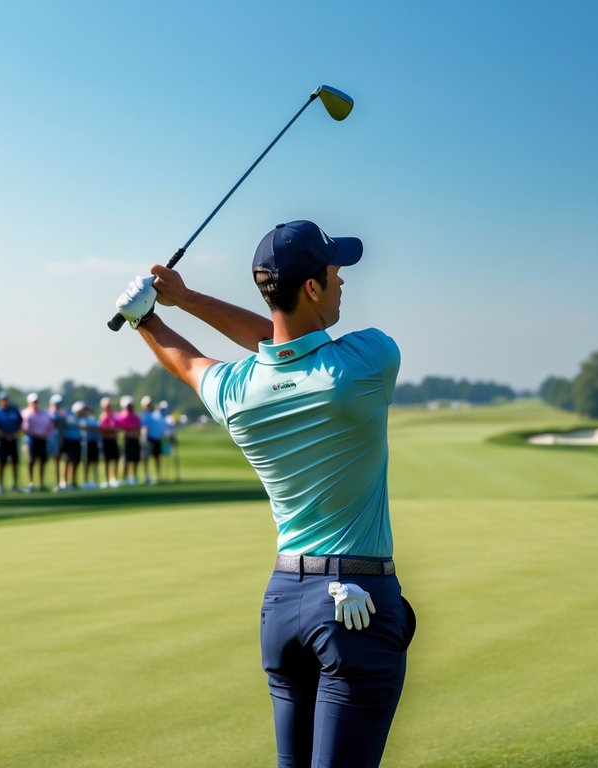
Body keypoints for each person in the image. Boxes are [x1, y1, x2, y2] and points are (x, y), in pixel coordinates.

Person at [114, 219, 416, 766]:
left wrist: (148, 318)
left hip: (283, 607)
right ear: (312, 288)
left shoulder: (236, 392)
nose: (343, 280)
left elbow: (194, 359)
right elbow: (279, 341)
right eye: (335, 271)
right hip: (355, 608)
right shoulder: (369, 358)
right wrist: (188, 300)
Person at [21, 392, 54, 492]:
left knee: (42, 461)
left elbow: (50, 425)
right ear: (28, 403)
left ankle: (41, 483)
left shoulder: (44, 413)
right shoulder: (25, 413)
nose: (35, 404)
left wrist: (46, 435)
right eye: (33, 402)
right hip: (31, 440)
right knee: (31, 461)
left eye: (36, 402)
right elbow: (24, 428)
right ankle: (31, 483)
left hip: (42, 440)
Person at [0, 391, 22, 494]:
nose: (4, 401)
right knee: (1, 463)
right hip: (1, 440)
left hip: (13, 439)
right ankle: (0, 484)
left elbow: (19, 423)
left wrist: (14, 434)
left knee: (14, 462)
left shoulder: (13, 410)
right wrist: (5, 435)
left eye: (6, 399)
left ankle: (15, 484)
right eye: (2, 400)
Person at [140, 394, 168, 485]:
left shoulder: (156, 414)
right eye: (147, 404)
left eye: (150, 404)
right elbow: (144, 428)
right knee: (146, 458)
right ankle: (147, 476)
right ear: (144, 406)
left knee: (157, 458)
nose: (149, 406)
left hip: (157, 439)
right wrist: (143, 437)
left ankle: (158, 477)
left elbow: (162, 427)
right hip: (148, 439)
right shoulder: (144, 416)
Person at [117, 395, 143, 486]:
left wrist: (130, 431)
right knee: (126, 460)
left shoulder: (136, 416)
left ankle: (134, 477)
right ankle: (125, 477)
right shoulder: (120, 416)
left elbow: (138, 430)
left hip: (135, 440)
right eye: (128, 406)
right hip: (126, 441)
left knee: (135, 460)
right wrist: (129, 432)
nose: (129, 407)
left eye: (130, 405)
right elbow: (121, 431)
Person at [98, 396, 122, 488]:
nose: (109, 407)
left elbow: (118, 428)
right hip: (106, 440)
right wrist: (113, 430)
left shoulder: (114, 416)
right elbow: (102, 429)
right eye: (107, 406)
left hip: (113, 440)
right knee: (107, 460)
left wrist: (115, 430)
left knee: (115, 459)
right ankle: (107, 479)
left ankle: (114, 478)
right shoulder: (103, 416)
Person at [58, 399, 83, 490]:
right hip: (68, 441)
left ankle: (72, 481)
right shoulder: (69, 415)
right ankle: (64, 482)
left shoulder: (80, 417)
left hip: (77, 441)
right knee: (68, 461)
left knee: (76, 461)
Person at [78, 402, 102, 489]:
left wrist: (91, 428)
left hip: (94, 442)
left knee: (95, 462)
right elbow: (84, 428)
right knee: (86, 463)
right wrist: (91, 428)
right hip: (86, 442)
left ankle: (95, 480)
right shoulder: (82, 419)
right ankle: (85, 481)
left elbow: (97, 428)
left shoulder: (94, 419)